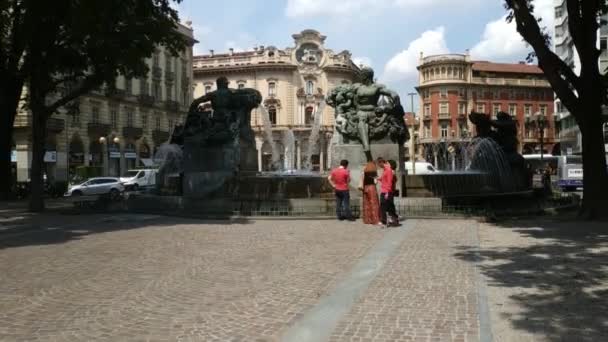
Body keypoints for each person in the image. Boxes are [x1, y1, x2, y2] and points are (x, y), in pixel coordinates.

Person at [377, 157, 399, 227]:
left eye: (378, 163)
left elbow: (389, 182)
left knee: (389, 206)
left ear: (382, 163)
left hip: (387, 191)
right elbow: (384, 179)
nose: (378, 165)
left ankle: (393, 219)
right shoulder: (385, 170)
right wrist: (378, 178)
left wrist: (387, 192)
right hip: (384, 190)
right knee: (384, 206)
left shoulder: (389, 170)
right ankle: (384, 220)